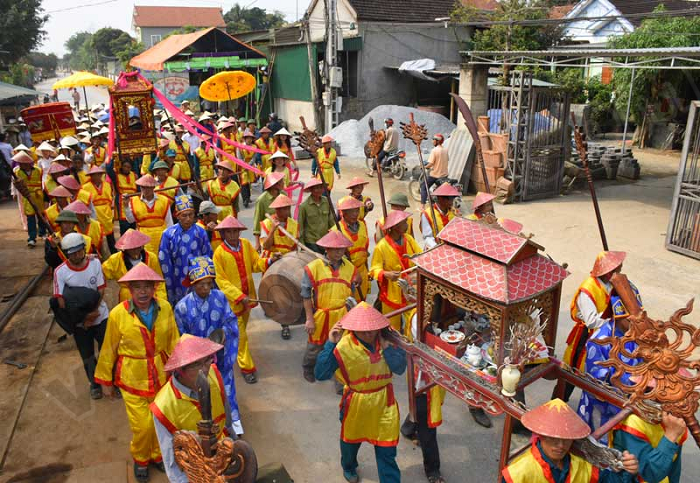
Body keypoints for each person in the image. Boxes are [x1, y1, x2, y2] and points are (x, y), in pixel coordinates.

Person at [95, 263, 180, 483]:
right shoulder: (117, 314)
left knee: (161, 421)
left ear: (154, 289)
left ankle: (157, 454)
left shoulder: (165, 308)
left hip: (161, 375)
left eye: (147, 287)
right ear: (129, 291)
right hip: (132, 378)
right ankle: (141, 459)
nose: (143, 292)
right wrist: (105, 380)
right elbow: (108, 348)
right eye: (137, 287)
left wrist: (179, 367)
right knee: (142, 426)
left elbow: (173, 340)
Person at [314, 302, 406, 483]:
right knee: (350, 443)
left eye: (371, 329)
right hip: (356, 403)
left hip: (384, 404)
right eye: (362, 330)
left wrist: (388, 349)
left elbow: (400, 368)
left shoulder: (390, 338)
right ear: (353, 328)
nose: (369, 333)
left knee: (387, 451)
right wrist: (330, 343)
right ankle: (348, 466)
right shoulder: (342, 346)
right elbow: (321, 373)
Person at [150, 335, 234, 483]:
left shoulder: (214, 373)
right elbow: (172, 462)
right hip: (195, 470)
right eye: (196, 364)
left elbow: (227, 418)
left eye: (208, 360)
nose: (205, 369)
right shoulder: (163, 407)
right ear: (181, 369)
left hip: (223, 454)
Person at [173, 257, 243, 434]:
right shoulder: (182, 307)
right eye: (201, 284)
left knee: (225, 385)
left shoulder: (220, 297)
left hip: (220, 354)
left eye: (209, 283)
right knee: (201, 390)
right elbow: (182, 338)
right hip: (197, 360)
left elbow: (230, 320)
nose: (205, 288)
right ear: (192, 283)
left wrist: (225, 334)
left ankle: (232, 420)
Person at [501, 399, 639, 483]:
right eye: (553, 439)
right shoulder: (517, 474)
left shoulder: (581, 466)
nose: (561, 446)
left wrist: (628, 470)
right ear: (541, 435)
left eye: (566, 439)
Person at [213, 215, 279, 384]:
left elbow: (256, 264)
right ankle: (247, 367)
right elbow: (221, 281)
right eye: (229, 232)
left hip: (248, 299)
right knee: (241, 336)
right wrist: (238, 296)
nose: (233, 235)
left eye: (235, 231)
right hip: (232, 303)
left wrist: (270, 260)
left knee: (238, 333)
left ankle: (229, 346)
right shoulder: (219, 253)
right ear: (224, 234)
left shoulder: (246, 245)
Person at [577, 284, 643, 441]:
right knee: (600, 445)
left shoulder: (635, 334)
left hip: (629, 400)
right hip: (603, 405)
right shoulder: (599, 341)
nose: (635, 323)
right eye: (630, 319)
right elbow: (595, 383)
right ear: (618, 316)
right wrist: (629, 381)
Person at [562, 251, 626, 402]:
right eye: (616, 271)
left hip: (604, 336)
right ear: (606, 272)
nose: (618, 274)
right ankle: (558, 403)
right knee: (572, 372)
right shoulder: (588, 289)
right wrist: (615, 322)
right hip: (585, 336)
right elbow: (591, 321)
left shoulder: (611, 284)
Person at [53, 232, 109, 400]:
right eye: (72, 253)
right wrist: (84, 318)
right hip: (79, 321)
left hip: (100, 314)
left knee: (107, 349)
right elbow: (61, 301)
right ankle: (95, 383)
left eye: (79, 251)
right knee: (87, 354)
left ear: (84, 250)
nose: (76, 255)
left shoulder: (95, 264)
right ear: (66, 254)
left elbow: (101, 290)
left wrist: (93, 313)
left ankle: (108, 379)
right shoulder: (60, 272)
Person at [301, 230, 357, 383]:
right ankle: (308, 367)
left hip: (342, 315)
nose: (339, 252)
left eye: (342, 248)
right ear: (326, 249)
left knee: (342, 347)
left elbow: (351, 294)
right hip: (320, 314)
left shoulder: (350, 268)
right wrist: (309, 319)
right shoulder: (313, 268)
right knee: (314, 346)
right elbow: (305, 295)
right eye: (335, 248)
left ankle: (340, 381)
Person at [369, 210, 421, 331]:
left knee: (412, 320)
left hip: (410, 287)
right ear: (396, 226)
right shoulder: (381, 246)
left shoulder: (409, 239)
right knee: (392, 325)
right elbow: (374, 270)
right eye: (404, 223)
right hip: (392, 290)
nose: (407, 225)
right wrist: (386, 274)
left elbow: (420, 255)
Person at [158, 195, 213, 305]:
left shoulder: (200, 232)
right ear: (177, 216)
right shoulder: (168, 234)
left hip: (198, 278)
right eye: (184, 215)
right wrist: (170, 284)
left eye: (190, 215)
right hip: (177, 278)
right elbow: (165, 262)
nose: (188, 219)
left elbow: (207, 255)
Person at [612, 405, 687, 483]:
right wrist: (671, 435)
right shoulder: (634, 421)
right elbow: (650, 475)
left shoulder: (676, 421)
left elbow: (674, 468)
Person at [260, 193, 298, 341]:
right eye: (283, 209)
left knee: (284, 294)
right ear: (276, 210)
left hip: (287, 262)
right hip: (271, 261)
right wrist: (273, 230)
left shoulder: (294, 224)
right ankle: (270, 307)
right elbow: (266, 245)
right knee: (272, 290)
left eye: (288, 208)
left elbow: (295, 246)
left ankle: (285, 324)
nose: (286, 212)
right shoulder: (266, 223)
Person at [102, 229, 166, 303]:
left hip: (149, 295)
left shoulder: (152, 258)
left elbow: (159, 282)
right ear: (125, 248)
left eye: (137, 247)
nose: (135, 250)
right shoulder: (115, 259)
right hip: (127, 297)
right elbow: (101, 274)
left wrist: (160, 299)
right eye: (132, 248)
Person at [125, 174, 173, 255]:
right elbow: (130, 220)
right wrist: (126, 206)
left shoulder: (164, 200)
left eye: (148, 187)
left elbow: (169, 222)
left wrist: (170, 239)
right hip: (143, 237)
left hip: (161, 237)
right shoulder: (133, 201)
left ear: (153, 187)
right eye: (143, 187)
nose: (145, 190)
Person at [332, 196, 370, 301]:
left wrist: (367, 270)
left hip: (362, 270)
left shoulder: (362, 225)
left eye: (357, 210)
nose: (355, 214)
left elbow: (365, 250)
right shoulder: (335, 231)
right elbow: (334, 259)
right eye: (351, 211)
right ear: (343, 213)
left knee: (362, 304)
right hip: (346, 273)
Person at [12, 151, 45, 246]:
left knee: (40, 215)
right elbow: (16, 184)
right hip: (27, 196)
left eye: (23, 163)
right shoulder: (17, 172)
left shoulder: (38, 170)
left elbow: (42, 182)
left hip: (38, 195)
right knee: (30, 217)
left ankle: (42, 233)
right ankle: (32, 237)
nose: (22, 165)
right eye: (20, 163)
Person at [82, 165, 116, 253]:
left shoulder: (107, 185)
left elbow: (110, 198)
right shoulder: (85, 187)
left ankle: (113, 254)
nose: (96, 176)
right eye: (94, 175)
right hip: (94, 213)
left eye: (98, 174)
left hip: (106, 214)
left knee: (110, 238)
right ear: (91, 176)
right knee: (96, 237)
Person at [298, 178, 336, 254]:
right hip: (311, 241)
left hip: (325, 240)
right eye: (317, 188)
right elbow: (300, 227)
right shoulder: (304, 206)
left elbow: (331, 221)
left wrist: (335, 235)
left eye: (321, 187)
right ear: (311, 190)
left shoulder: (326, 201)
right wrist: (302, 245)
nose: (320, 190)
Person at [252, 171, 285, 251]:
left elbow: (288, 216)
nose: (283, 183)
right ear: (274, 184)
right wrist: (257, 244)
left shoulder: (284, 195)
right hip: (268, 234)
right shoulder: (262, 200)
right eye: (281, 181)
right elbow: (257, 222)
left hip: (283, 234)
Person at [420, 183, 459, 250]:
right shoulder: (427, 214)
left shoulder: (454, 212)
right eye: (450, 199)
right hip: (434, 250)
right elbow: (427, 238)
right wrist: (437, 248)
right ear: (441, 199)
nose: (452, 202)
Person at [420, 134, 449, 209]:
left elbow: (431, 163)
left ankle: (422, 207)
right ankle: (433, 201)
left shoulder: (434, 150)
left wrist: (424, 167)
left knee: (423, 187)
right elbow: (446, 160)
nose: (432, 141)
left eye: (433, 139)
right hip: (445, 175)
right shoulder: (445, 150)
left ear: (437, 141)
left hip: (435, 175)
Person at [116, 158, 137, 235]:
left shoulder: (135, 175)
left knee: (133, 228)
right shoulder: (117, 175)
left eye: (128, 167)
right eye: (124, 166)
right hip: (122, 203)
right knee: (124, 228)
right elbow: (109, 169)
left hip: (133, 202)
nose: (126, 168)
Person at [235, 130, 256, 206]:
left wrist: (249, 165)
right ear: (244, 139)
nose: (249, 140)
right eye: (247, 138)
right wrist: (244, 165)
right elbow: (239, 158)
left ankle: (248, 197)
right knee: (244, 183)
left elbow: (254, 158)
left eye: (250, 138)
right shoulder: (240, 147)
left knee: (249, 183)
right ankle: (245, 199)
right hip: (242, 167)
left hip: (250, 166)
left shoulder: (254, 147)